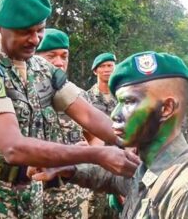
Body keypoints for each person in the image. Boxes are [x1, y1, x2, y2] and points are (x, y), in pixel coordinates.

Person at [0, 0, 139, 218]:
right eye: (24, 32)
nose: (35, 39)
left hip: (29, 194)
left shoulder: (41, 68)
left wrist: (134, 138)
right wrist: (97, 154)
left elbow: (87, 114)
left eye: (40, 29)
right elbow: (13, 148)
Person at [29, 51, 188, 219]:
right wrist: (70, 169)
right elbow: (116, 180)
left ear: (166, 109)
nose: (114, 114)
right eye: (118, 102)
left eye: (129, 102)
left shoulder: (182, 189)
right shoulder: (149, 167)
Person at [36, 28, 91, 218]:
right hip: (32, 195)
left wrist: (89, 153)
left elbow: (95, 134)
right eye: (51, 56)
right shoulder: (19, 96)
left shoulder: (78, 96)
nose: (59, 62)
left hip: (72, 196)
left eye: (64, 56)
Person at [86, 52, 119, 218]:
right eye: (103, 66)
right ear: (95, 71)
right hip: (96, 165)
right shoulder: (85, 99)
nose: (107, 69)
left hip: (120, 162)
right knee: (94, 211)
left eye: (110, 66)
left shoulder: (123, 98)